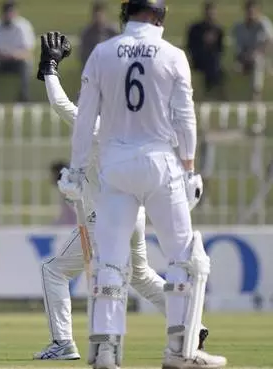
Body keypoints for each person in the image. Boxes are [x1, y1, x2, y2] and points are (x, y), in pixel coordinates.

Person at [59, 0, 226, 368]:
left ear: (126, 16)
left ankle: (105, 352)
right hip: (159, 162)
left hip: (114, 165)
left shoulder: (102, 52)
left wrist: (75, 171)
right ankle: (181, 351)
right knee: (184, 258)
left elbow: (85, 118)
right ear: (158, 18)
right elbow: (185, 117)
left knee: (111, 262)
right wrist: (191, 168)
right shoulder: (172, 54)